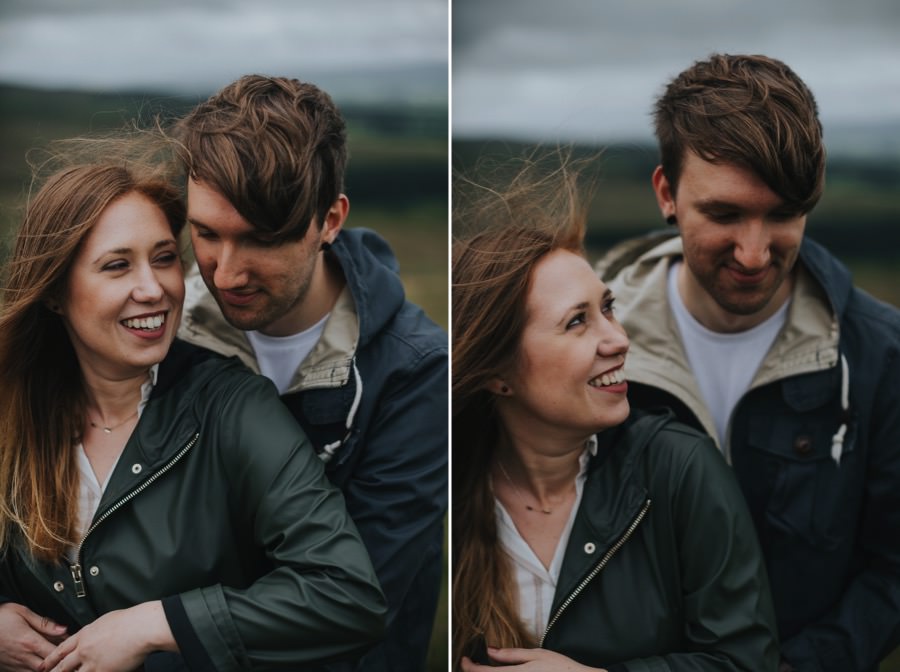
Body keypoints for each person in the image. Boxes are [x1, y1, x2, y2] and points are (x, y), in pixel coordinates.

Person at [0, 147, 386, 671]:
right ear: (54, 292)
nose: (153, 288)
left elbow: (347, 595)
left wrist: (157, 625)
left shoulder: (234, 408)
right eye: (117, 266)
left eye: (164, 258)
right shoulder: (12, 407)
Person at [597, 53, 900, 671]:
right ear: (667, 194)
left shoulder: (881, 357)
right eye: (725, 214)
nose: (755, 253)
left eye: (783, 214)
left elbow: (892, 570)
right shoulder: (584, 346)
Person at [451, 157, 779, 671]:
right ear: (498, 373)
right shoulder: (449, 488)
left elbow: (746, 661)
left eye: (607, 307)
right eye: (577, 322)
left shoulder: (680, 469)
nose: (618, 339)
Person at [170, 74, 448, 672]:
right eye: (207, 233)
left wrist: (163, 629)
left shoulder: (416, 373)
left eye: (262, 239)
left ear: (330, 219)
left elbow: (355, 608)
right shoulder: (160, 337)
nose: (226, 273)